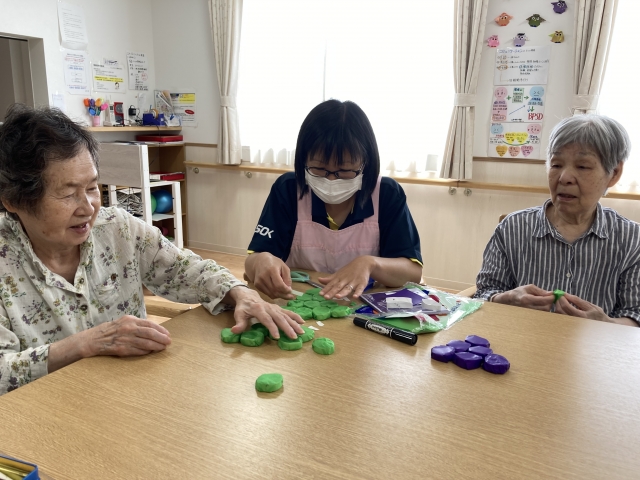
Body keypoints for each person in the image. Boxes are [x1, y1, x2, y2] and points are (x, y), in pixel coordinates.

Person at [0, 104, 303, 395]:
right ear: (13, 200)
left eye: (92, 188)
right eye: (67, 194)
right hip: (42, 412)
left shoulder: (117, 229)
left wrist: (240, 293)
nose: (89, 207)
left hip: (130, 396)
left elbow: (188, 270)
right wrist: (84, 344)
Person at [245, 99, 423, 300]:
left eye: (345, 170)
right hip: (297, 302)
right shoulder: (288, 189)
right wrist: (261, 261)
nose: (331, 180)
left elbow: (412, 273)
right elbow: (253, 262)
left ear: (366, 163)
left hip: (363, 306)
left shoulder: (387, 194)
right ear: (303, 160)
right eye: (319, 169)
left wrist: (370, 264)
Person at [474, 114, 640, 326]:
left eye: (583, 166)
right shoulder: (513, 228)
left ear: (614, 173)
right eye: (556, 164)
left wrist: (606, 324)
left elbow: (635, 313)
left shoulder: (632, 239)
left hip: (596, 346)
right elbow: (484, 293)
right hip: (520, 340)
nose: (564, 177)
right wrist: (505, 299)